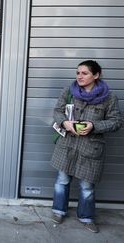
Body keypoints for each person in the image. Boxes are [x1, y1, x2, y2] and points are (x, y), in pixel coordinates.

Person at [50, 60, 122, 233]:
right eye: (77, 73)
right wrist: (65, 123)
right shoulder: (69, 91)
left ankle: (86, 217)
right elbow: (57, 111)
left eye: (84, 73)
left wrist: (93, 126)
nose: (79, 76)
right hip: (67, 145)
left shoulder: (109, 97)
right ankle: (58, 211)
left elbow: (116, 122)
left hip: (91, 148)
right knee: (62, 181)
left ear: (96, 75)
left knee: (87, 187)